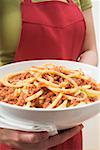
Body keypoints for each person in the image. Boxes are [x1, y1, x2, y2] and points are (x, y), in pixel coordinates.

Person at [0, 0, 98, 150]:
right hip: (11, 131)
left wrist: (74, 83)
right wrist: (2, 134)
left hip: (67, 125)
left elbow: (89, 50)